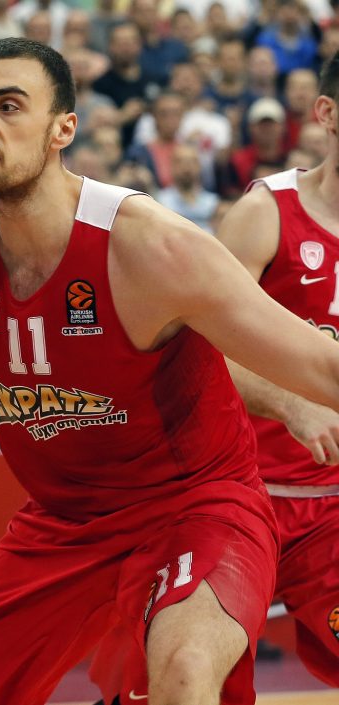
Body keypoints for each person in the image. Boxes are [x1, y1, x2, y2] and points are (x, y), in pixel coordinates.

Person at [0, 37, 339, 705]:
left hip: (196, 504)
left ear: (64, 130)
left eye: (7, 106)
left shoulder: (150, 245)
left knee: (186, 670)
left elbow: (318, 362)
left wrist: (291, 400)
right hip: (62, 521)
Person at [92, 53, 339, 705]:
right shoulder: (268, 213)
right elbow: (195, 343)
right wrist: (291, 403)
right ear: (326, 113)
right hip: (237, 493)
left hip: (332, 511)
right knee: (178, 677)